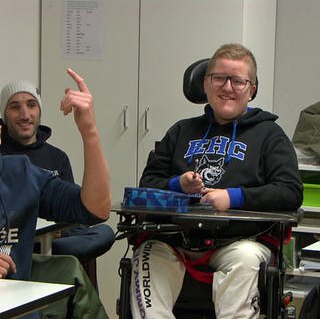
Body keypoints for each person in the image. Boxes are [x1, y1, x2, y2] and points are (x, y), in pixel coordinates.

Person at [130, 43, 303, 319]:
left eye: (238, 80)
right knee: (147, 254)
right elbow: (147, 183)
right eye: (219, 78)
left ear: (252, 89)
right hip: (175, 239)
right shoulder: (181, 131)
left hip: (240, 241)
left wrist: (233, 197)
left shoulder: (271, 136)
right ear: (206, 84)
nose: (228, 87)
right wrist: (178, 184)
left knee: (245, 260)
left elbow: (290, 192)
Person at [0, 68, 111, 319]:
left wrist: (89, 130)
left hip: (17, 288)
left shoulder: (20, 174)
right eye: (15, 107)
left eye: (31, 105)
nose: (25, 115)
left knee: (69, 269)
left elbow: (95, 209)